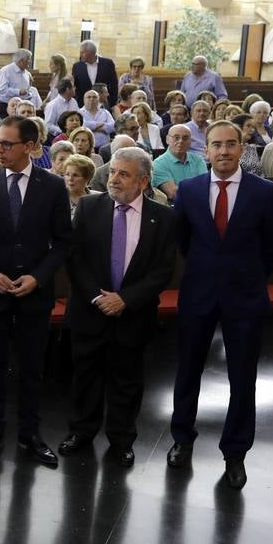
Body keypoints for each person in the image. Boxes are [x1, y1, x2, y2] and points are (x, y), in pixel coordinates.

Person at [167, 121, 273, 490]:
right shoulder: (188, 190)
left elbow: (272, 249)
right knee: (188, 372)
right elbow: (183, 243)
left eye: (231, 144)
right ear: (207, 150)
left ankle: (235, 453)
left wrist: (245, 276)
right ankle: (182, 439)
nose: (223, 151)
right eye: (216, 145)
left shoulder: (265, 193)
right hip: (198, 293)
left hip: (245, 297)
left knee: (242, 378)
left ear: (242, 147)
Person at [59, 148, 176, 466]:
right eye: (112, 172)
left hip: (133, 314)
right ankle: (81, 432)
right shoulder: (88, 206)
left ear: (143, 180)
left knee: (127, 380)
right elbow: (75, 258)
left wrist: (126, 299)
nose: (114, 179)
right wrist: (97, 296)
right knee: (85, 376)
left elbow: (163, 271)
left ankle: (122, 439)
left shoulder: (162, 217)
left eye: (123, 174)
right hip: (90, 309)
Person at [0, 117, 73, 467]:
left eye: (6, 144)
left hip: (34, 292)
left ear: (29, 146)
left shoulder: (53, 186)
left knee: (32, 366)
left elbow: (62, 243)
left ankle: (30, 432)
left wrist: (38, 278)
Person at [152, 125, 207, 200]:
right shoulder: (158, 164)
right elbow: (173, 194)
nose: (180, 141)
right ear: (167, 139)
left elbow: (206, 186)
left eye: (185, 138)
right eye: (176, 137)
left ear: (190, 141)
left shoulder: (198, 160)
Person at [72, 40, 119, 109]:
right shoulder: (77, 66)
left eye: (82, 52)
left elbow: (114, 84)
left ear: (91, 52)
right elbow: (76, 86)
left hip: (104, 105)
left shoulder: (107, 64)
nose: (80, 55)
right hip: (84, 106)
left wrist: (112, 102)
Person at [0, 49, 41, 115]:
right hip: (6, 106)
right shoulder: (6, 71)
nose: (30, 62)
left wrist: (29, 94)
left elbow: (27, 90)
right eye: (28, 59)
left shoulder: (27, 73)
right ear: (22, 60)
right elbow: (1, 90)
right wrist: (18, 91)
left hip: (22, 107)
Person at [63, 153, 96, 220]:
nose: (70, 179)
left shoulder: (98, 199)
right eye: (67, 174)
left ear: (87, 178)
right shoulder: (56, 198)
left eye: (75, 175)